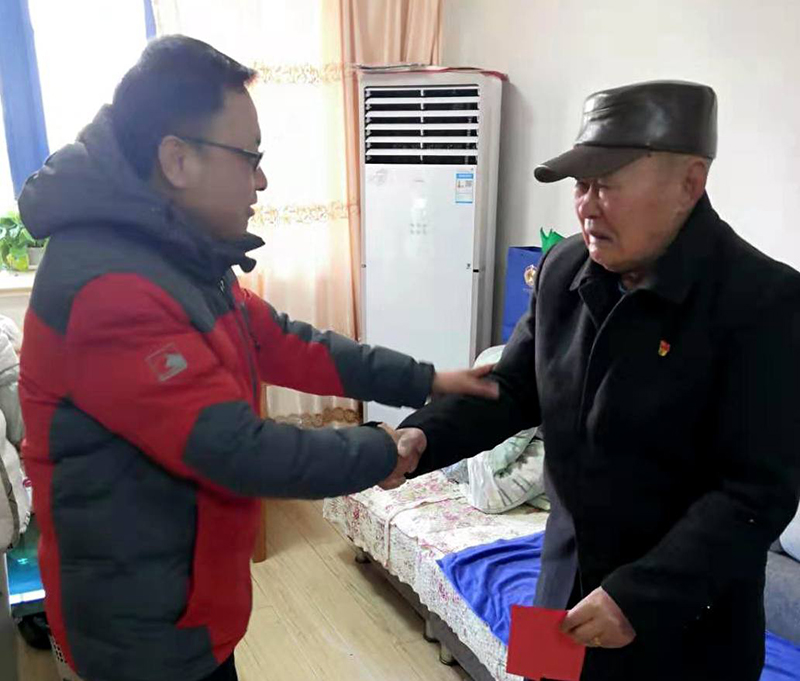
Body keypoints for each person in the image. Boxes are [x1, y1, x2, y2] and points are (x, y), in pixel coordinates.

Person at [17, 36, 496, 681]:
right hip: (140, 627)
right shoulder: (109, 286)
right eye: (250, 158)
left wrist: (426, 378)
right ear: (177, 159)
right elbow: (236, 450)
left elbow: (282, 340)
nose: (262, 181)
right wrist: (381, 450)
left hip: (185, 596)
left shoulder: (177, 251)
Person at [396, 80, 800, 680]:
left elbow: (755, 493)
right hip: (563, 587)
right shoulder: (564, 268)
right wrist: (421, 437)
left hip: (683, 618)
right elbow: (513, 389)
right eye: (580, 185)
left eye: (606, 184)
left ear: (690, 183)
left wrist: (639, 596)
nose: (586, 205)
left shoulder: (763, 301)